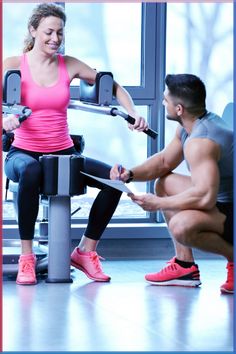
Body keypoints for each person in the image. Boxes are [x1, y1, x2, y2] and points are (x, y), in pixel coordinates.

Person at [3, 3, 148, 285]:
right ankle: (26, 258)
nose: (55, 39)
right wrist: (5, 119)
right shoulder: (12, 65)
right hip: (22, 153)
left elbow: (114, 86)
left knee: (114, 181)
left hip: (64, 152)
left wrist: (133, 113)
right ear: (33, 30)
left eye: (59, 33)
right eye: (48, 32)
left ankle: (84, 251)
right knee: (31, 170)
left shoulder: (68, 64)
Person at [111, 74, 234, 294]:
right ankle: (185, 266)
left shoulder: (201, 142)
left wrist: (157, 204)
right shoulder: (192, 125)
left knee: (181, 226)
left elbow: (205, 197)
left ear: (179, 109)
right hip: (219, 197)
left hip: (228, 206)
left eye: (166, 99)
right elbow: (164, 162)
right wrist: (129, 174)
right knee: (165, 182)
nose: (163, 102)